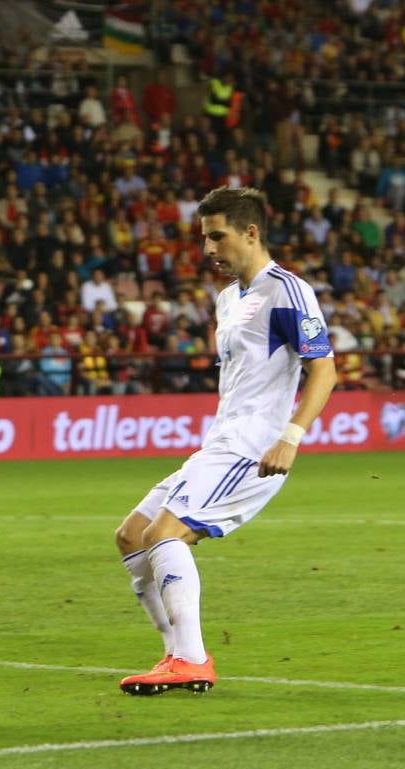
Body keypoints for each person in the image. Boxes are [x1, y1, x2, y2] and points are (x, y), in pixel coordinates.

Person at [114, 187, 337, 695]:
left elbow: (324, 370)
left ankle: (190, 659)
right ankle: (179, 653)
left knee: (163, 535)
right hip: (221, 442)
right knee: (132, 535)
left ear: (250, 233)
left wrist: (291, 437)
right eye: (204, 238)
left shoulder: (288, 291)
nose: (209, 249)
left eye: (218, 236)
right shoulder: (227, 299)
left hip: (253, 448)